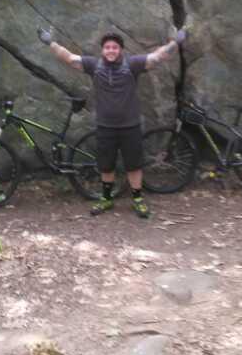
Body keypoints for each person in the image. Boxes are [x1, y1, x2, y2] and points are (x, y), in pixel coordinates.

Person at [37, 26, 186, 218]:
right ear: (102, 50)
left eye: (115, 47)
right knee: (106, 165)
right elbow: (70, 58)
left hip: (130, 126)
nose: (111, 50)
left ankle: (138, 199)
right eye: (107, 47)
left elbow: (156, 57)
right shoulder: (94, 65)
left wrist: (176, 42)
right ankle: (106, 198)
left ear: (120, 50)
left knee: (134, 165)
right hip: (105, 127)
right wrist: (50, 43)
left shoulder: (132, 65)